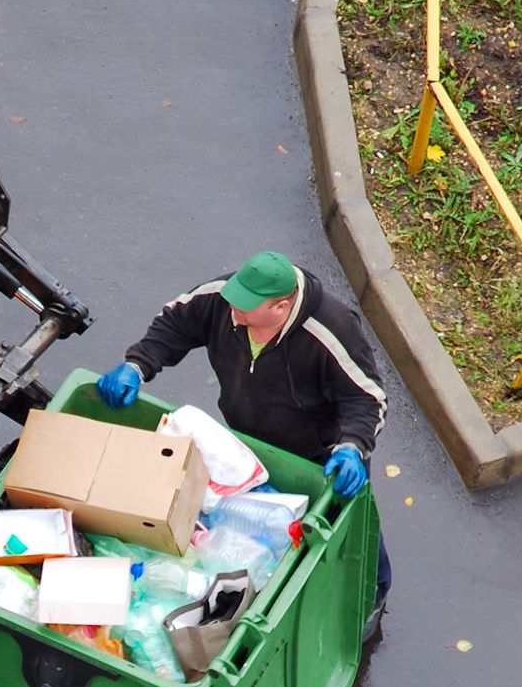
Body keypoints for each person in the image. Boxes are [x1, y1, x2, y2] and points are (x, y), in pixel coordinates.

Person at [95, 249, 391, 633]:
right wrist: (137, 365)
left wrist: (352, 446)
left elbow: (366, 398)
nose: (233, 313)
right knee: (268, 526)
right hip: (249, 443)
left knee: (355, 530)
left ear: (281, 307)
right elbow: (175, 325)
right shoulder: (226, 299)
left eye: (247, 309)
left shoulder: (330, 330)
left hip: (324, 455)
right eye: (234, 303)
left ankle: (373, 592)